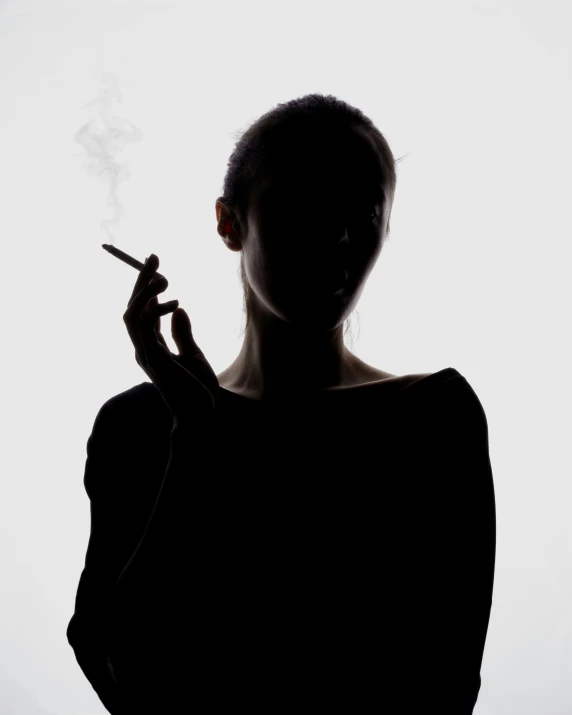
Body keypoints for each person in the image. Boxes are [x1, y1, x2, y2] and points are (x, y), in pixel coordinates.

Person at [67, 93, 496, 714]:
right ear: (228, 223)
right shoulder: (139, 427)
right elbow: (121, 668)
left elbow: (444, 684)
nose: (340, 236)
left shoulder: (430, 418)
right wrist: (191, 437)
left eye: (366, 211)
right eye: (305, 205)